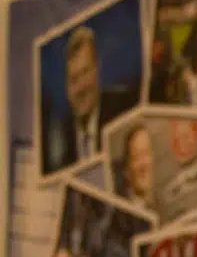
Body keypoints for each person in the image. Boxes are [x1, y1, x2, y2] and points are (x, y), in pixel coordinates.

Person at [44, 24, 137, 175]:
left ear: (97, 70)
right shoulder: (60, 143)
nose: (80, 87)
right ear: (66, 88)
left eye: (85, 72)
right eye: (73, 79)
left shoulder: (124, 111)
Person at [118, 122, 156, 209]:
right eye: (136, 157)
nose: (144, 164)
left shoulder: (160, 206)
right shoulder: (121, 213)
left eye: (146, 153)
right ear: (126, 171)